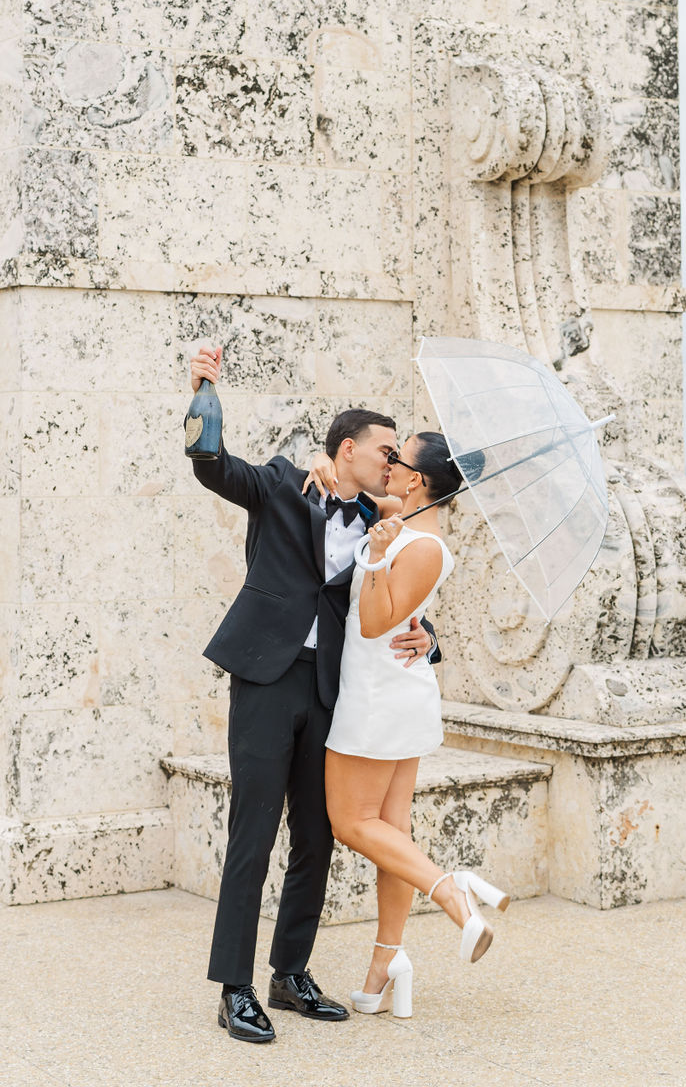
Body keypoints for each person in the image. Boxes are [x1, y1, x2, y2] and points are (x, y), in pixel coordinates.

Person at [187, 344, 435, 1046]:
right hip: (265, 678)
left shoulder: (380, 523)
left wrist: (430, 638)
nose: (394, 464)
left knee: (318, 836)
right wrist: (204, 392)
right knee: (254, 831)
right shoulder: (278, 484)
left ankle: (288, 972)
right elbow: (212, 465)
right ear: (348, 448)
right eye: (386, 451)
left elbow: (397, 597)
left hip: (331, 688)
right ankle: (234, 986)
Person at [311, 432, 510, 1020]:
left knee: (349, 822)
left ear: (417, 477)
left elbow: (372, 622)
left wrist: (372, 556)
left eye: (397, 459)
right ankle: (386, 961)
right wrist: (324, 461)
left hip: (379, 698)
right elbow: (358, 490)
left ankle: (452, 892)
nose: (388, 463)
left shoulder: (423, 546)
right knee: (391, 832)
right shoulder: (404, 516)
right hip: (395, 690)